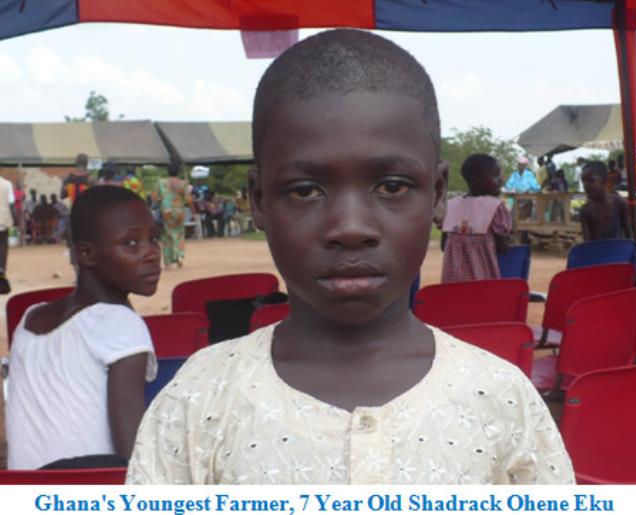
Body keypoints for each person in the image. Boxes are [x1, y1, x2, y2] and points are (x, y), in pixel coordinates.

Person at [127, 29, 573, 485]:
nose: (351, 227)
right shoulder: (197, 401)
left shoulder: (502, 399)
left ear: (438, 194)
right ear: (259, 199)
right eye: (305, 191)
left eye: (392, 187)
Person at [6, 186, 160, 470]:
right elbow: (136, 457)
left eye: (153, 239)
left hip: (24, 490)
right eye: (131, 243)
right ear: (87, 254)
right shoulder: (121, 323)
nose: (151, 253)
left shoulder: (29, 319)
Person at [441, 154, 511, 283]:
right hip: (483, 283)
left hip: (453, 285)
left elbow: (443, 246)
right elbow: (502, 248)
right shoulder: (494, 207)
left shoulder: (450, 206)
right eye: (496, 175)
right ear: (478, 179)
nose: (501, 180)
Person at [579, 160, 632, 241]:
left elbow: (629, 237)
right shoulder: (586, 210)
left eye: (590, 180)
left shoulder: (619, 204)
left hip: (618, 249)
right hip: (596, 249)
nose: (585, 185)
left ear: (604, 180)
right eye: (583, 181)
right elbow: (587, 243)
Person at [156, 162, 193, 268]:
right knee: (179, 233)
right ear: (178, 172)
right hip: (179, 210)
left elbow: (157, 198)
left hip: (166, 210)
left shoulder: (161, 182)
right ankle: (179, 257)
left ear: (168, 171)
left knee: (167, 235)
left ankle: (168, 261)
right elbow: (188, 200)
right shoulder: (183, 183)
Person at [0, 174, 17, 293]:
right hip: (3, 220)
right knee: (3, 248)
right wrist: (15, 219)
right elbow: (11, 204)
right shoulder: (7, 184)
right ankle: (1, 272)